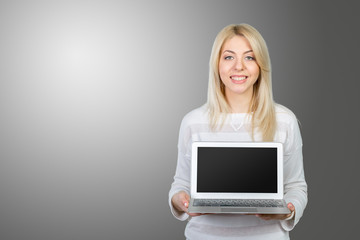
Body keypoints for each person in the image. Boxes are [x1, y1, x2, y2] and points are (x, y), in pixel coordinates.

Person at [168, 23, 307, 240]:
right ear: (217, 64)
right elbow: (181, 184)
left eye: (249, 57)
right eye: (229, 57)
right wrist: (181, 201)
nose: (239, 66)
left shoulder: (284, 121)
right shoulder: (193, 122)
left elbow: (296, 186)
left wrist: (288, 209)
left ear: (261, 65)